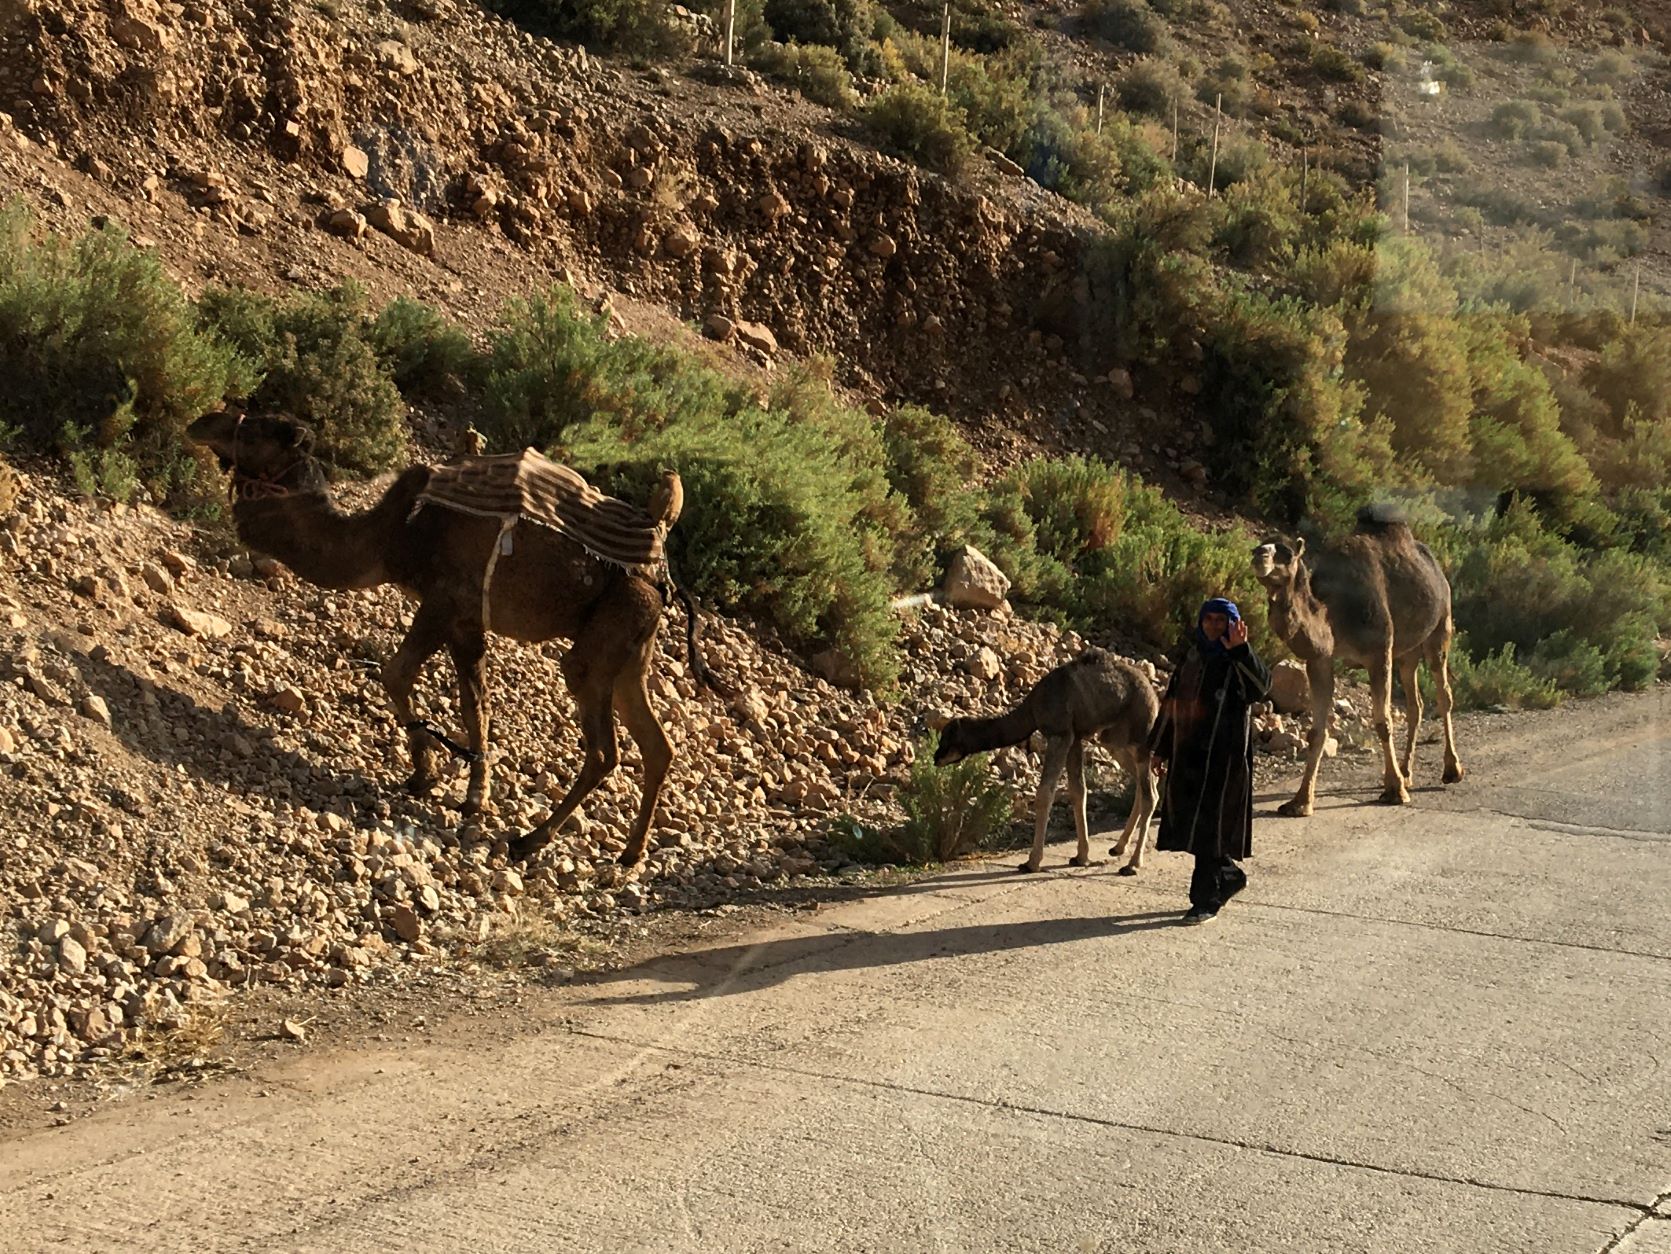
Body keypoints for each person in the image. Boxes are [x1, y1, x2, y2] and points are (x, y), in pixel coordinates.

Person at [1148, 597, 1271, 924]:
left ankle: (1205, 900)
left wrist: (1241, 651)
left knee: (1211, 829)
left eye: (1221, 620)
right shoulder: (1192, 657)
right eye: (1209, 619)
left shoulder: (1238, 659)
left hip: (1224, 762)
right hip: (1188, 758)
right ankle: (1229, 875)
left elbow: (1260, 688)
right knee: (1192, 827)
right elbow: (1172, 703)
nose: (1214, 626)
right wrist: (1160, 748)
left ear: (1233, 624)